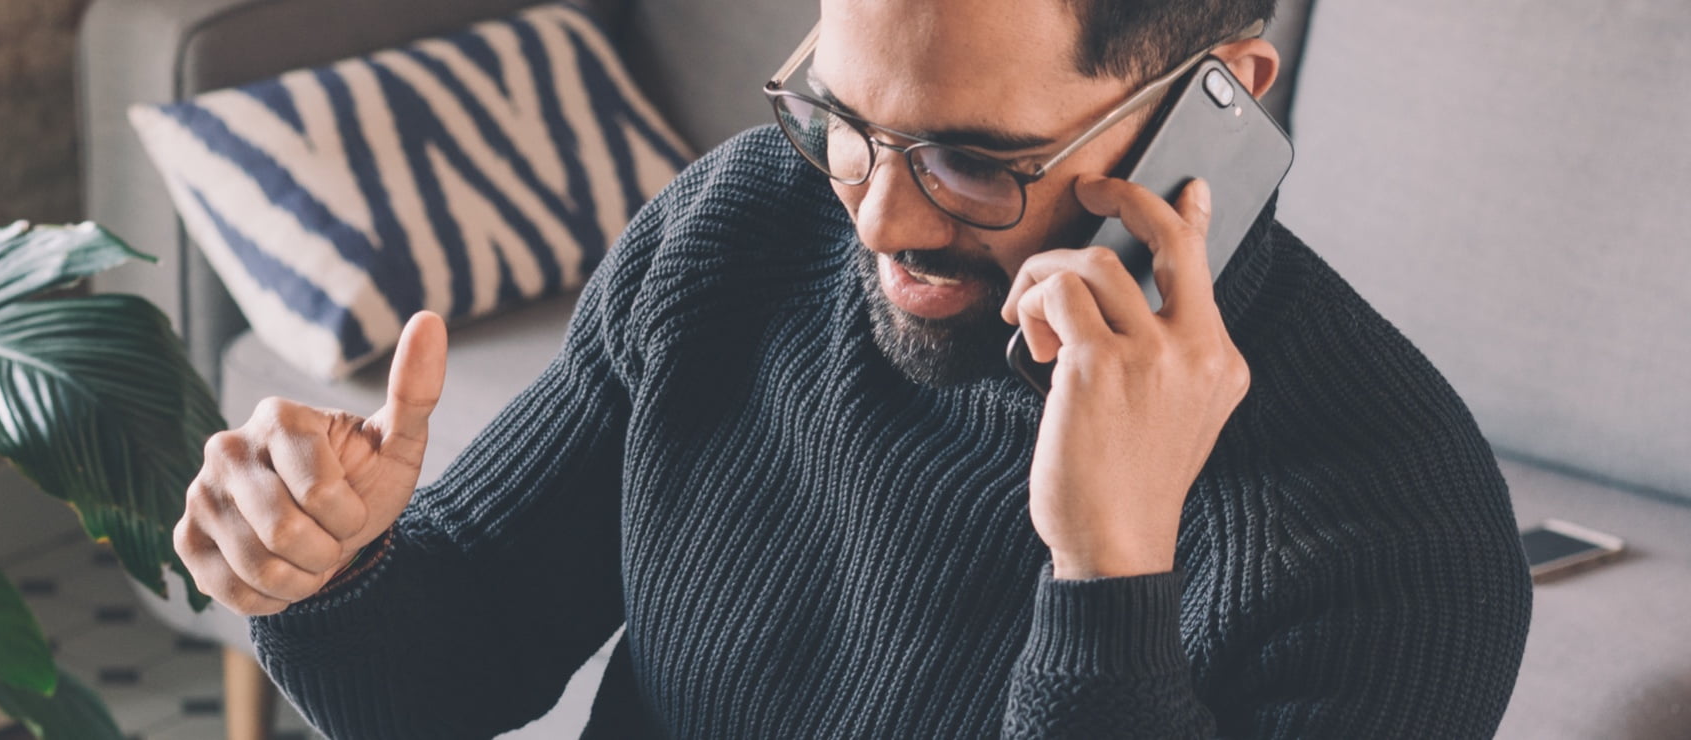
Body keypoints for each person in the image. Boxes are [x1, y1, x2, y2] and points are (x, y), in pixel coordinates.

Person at [169, 0, 1534, 736]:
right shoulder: (741, 226)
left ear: (1217, 97)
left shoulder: (1395, 538)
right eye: (840, 115)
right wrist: (329, 573)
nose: (874, 220)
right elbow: (455, 674)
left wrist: (1109, 573)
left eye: (972, 159)